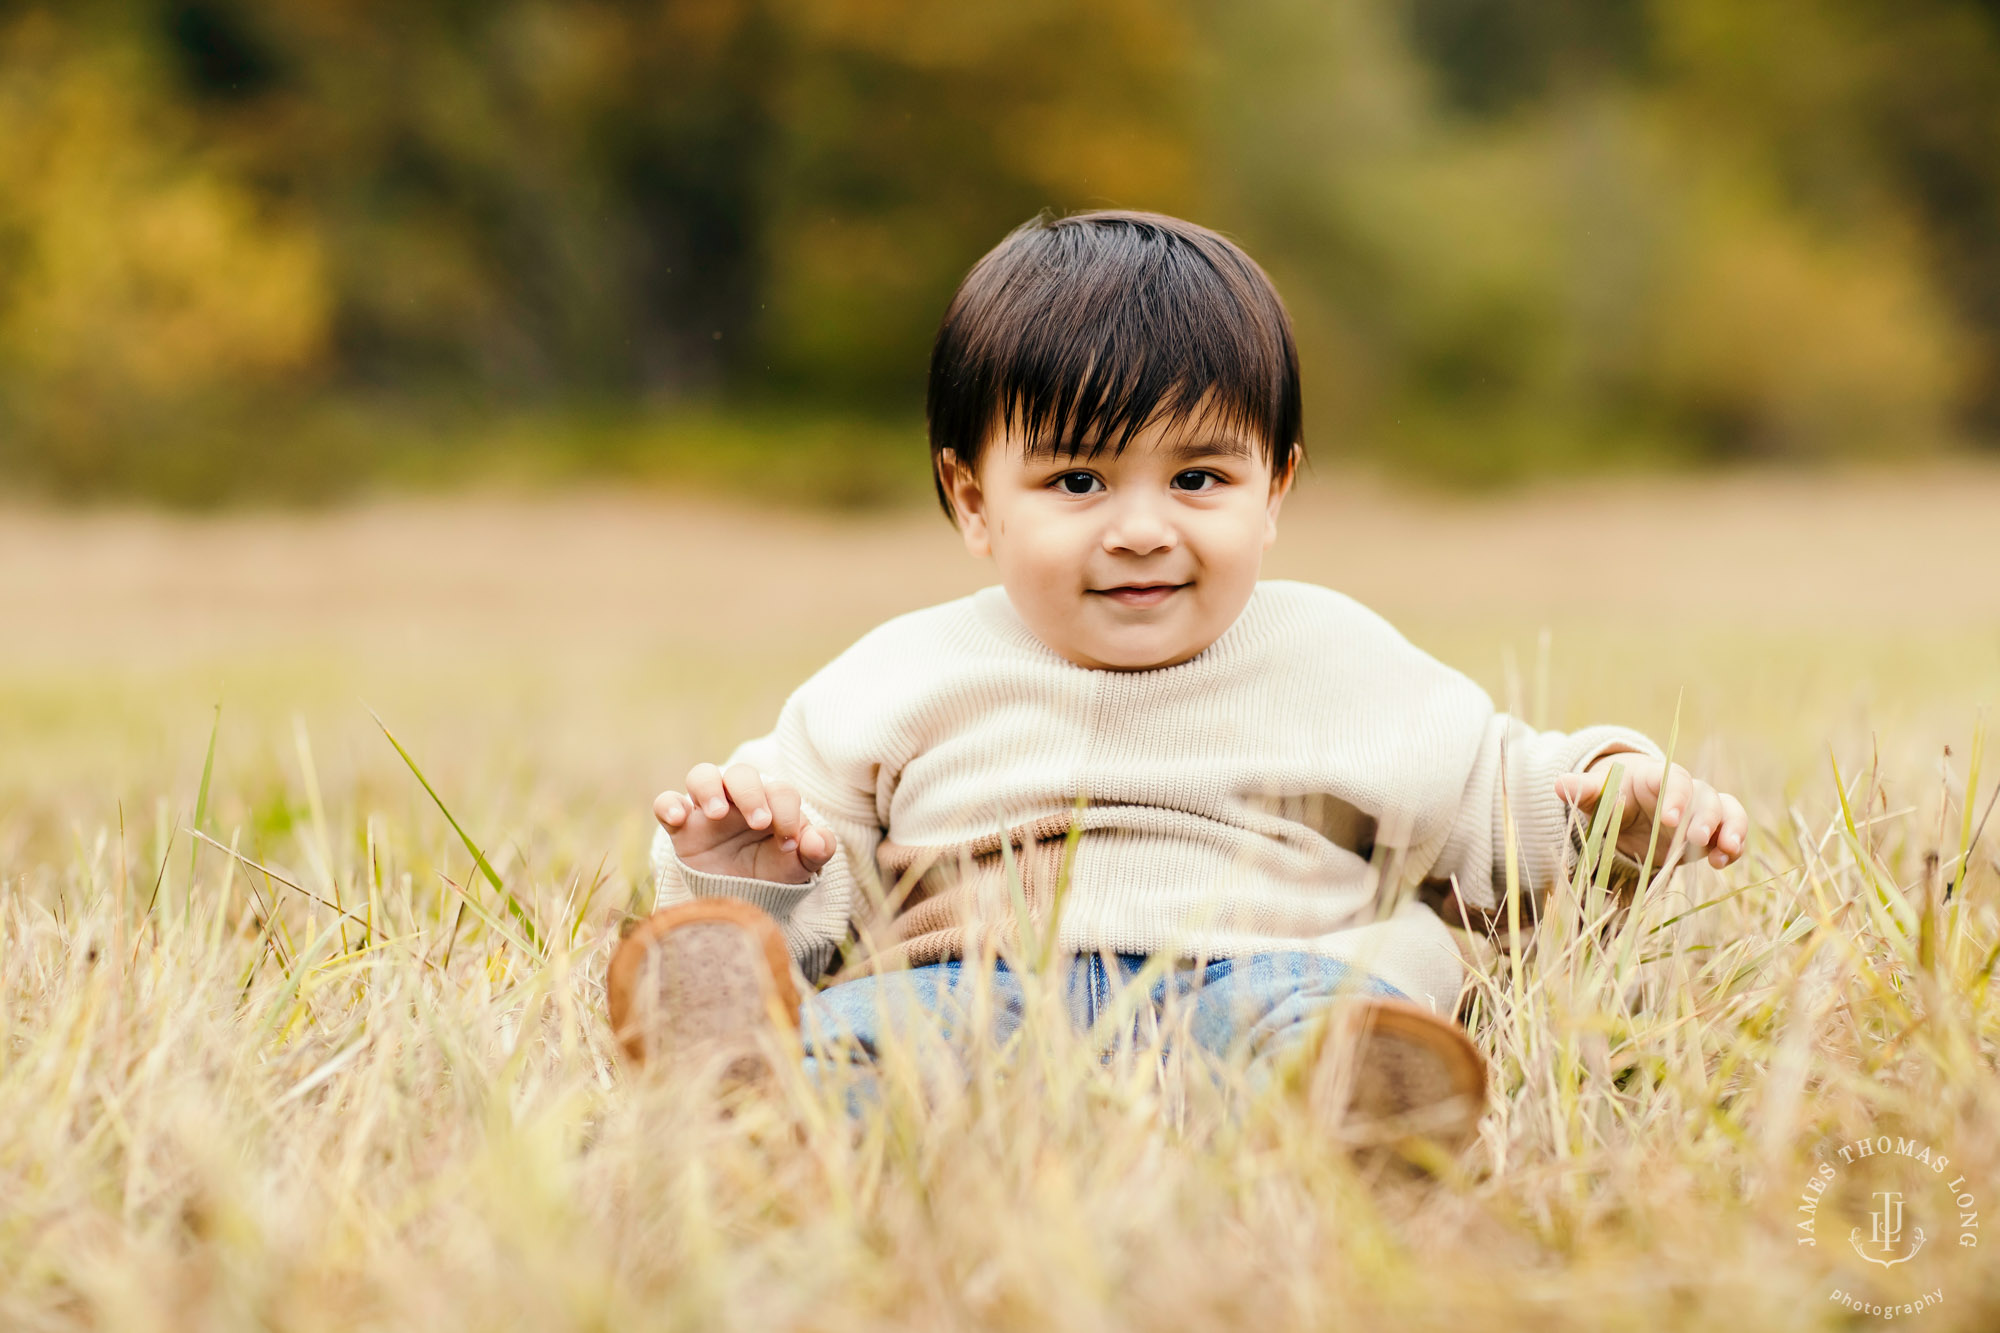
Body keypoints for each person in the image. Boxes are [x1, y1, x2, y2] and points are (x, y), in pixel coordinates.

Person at [606, 209, 1749, 1150]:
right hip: (978, 981)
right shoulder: (899, 676)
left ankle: (1359, 1114)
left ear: (1276, 487)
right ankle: (770, 1107)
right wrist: (741, 868)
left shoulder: (1336, 657)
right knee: (879, 1033)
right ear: (970, 500)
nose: (1142, 529)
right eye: (1076, 481)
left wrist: (1615, 797)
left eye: (1198, 475)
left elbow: (1497, 805)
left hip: (1264, 974)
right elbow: (820, 888)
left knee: (1319, 1025)